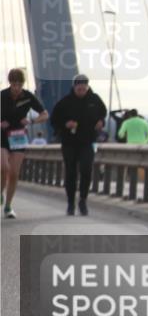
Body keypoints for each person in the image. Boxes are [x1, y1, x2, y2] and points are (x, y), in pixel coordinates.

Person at [50, 73, 108, 216]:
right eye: (79, 88)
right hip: (69, 142)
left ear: (87, 87)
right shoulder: (65, 102)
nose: (82, 91)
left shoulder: (94, 99)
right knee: (70, 172)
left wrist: (101, 122)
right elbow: (54, 120)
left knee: (86, 169)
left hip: (88, 141)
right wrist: (65, 124)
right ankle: (71, 203)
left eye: (84, 88)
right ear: (74, 87)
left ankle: (83, 200)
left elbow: (103, 113)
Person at [1, 68, 49, 218]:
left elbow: (45, 114)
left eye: (19, 84)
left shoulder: (28, 96)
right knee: (3, 167)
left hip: (18, 137)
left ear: (23, 84)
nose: (16, 88)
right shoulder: (2, 95)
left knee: (14, 173)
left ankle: (8, 206)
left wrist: (32, 121)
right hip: (2, 136)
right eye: (14, 84)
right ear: (10, 83)